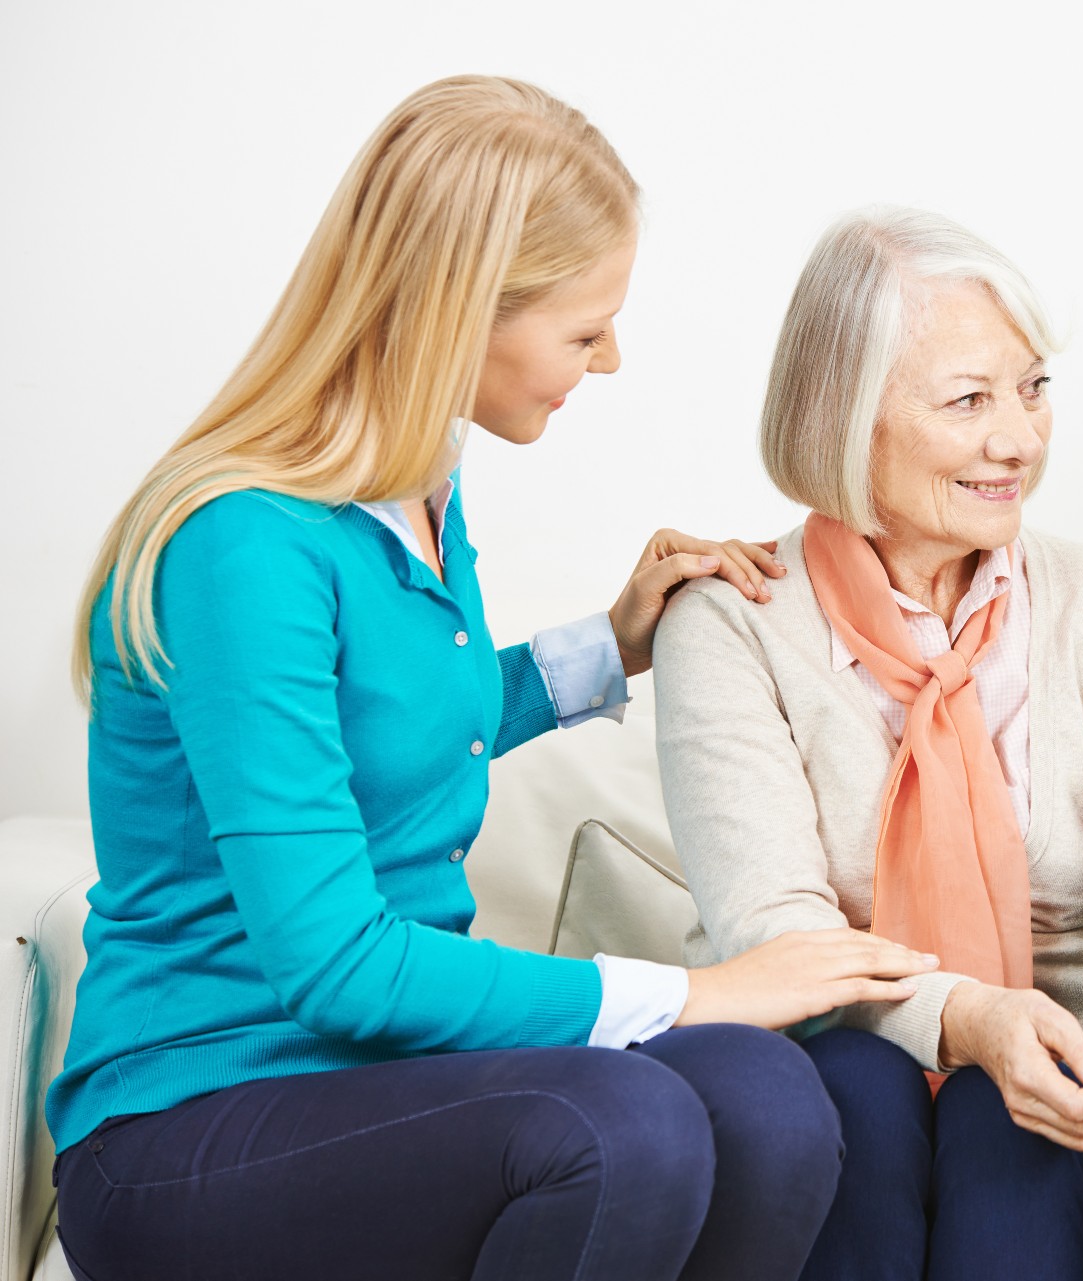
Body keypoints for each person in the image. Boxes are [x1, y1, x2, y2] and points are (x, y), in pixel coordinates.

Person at [49, 76, 940, 1281]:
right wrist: (694, 989)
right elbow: (337, 966)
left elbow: (400, 733)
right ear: (463, 312)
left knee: (769, 1101)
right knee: (621, 1126)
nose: (612, 358)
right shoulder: (242, 545)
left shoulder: (420, 489)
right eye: (584, 329)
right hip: (195, 1125)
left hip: (392, 1087)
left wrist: (607, 646)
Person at [650, 206, 1083, 1281]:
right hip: (842, 1106)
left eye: (1033, 389)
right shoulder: (732, 619)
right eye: (970, 401)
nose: (1020, 441)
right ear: (846, 419)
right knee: (854, 1074)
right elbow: (780, 938)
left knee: (1003, 1109)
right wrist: (971, 1019)